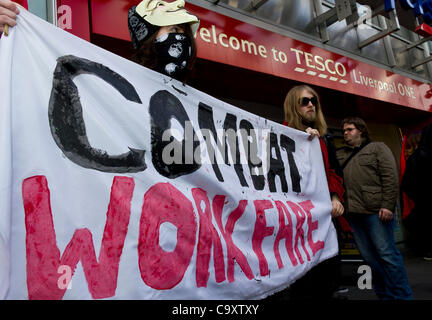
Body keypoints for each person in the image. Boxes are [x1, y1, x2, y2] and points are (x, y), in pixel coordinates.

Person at [0, 0, 199, 82]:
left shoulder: (197, 103)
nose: (181, 40)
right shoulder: (117, 83)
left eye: (183, 32)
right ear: (148, 36)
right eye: (173, 29)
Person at [280, 84, 345, 300]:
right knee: (304, 284)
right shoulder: (280, 135)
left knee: (328, 278)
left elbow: (333, 173)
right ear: (293, 106)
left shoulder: (325, 138)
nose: (311, 105)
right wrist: (299, 141)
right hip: (299, 222)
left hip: (326, 219)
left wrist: (335, 196)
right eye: (304, 101)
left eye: (314, 101)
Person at [337, 116, 413, 300]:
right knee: (370, 259)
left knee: (388, 256)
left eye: (350, 129)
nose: (345, 133)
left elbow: (390, 177)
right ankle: (384, 295)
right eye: (344, 130)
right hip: (353, 214)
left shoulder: (377, 148)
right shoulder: (340, 155)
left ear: (360, 130)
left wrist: (387, 205)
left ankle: (402, 296)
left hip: (376, 212)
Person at [401, 122, 432, 261]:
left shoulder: (416, 157)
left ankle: (425, 250)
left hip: (421, 203)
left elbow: (406, 183)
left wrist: (419, 198)